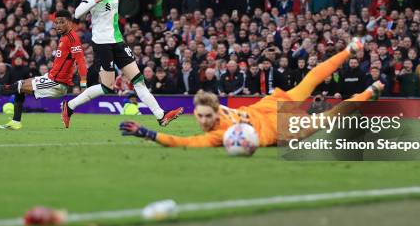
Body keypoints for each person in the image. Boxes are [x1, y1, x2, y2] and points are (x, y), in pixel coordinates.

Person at [119, 39, 382, 147]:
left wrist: (148, 133)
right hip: (280, 127)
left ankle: (350, 49)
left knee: (312, 77)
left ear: (216, 110)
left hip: (269, 107)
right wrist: (148, 134)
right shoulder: (216, 133)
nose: (201, 121)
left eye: (205, 116)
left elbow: (186, 143)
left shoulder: (220, 129)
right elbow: (186, 143)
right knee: (330, 117)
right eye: (199, 116)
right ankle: (371, 91)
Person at [64, 0, 182, 128]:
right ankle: (69, 106)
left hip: (117, 40)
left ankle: (161, 115)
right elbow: (77, 13)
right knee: (107, 87)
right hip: (102, 43)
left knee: (138, 80)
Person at [0, 10, 87, 130]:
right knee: (20, 88)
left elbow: (81, 61)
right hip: (51, 78)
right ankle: (15, 122)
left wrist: (83, 84)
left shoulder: (72, 38)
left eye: (62, 22)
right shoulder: (64, 37)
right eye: (56, 23)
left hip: (56, 82)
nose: (58, 26)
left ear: (69, 23)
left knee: (17, 86)